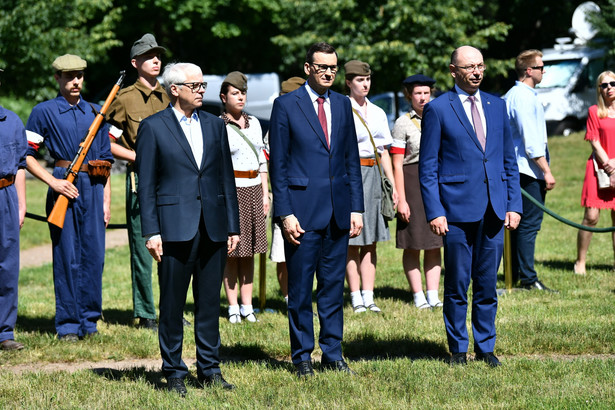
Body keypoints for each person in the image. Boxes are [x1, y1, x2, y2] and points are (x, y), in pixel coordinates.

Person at [136, 62, 239, 396]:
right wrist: (151, 232)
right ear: (174, 89)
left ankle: (209, 370)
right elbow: (146, 184)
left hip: (213, 228)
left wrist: (233, 226)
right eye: (195, 86)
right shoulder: (153, 127)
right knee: (172, 306)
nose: (201, 91)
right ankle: (175, 372)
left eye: (203, 85)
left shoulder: (214, 125)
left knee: (209, 303)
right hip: (173, 230)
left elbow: (226, 177)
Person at [419, 46, 522, 367]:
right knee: (457, 284)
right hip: (456, 211)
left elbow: (508, 160)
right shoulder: (438, 109)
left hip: (494, 209)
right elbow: (428, 167)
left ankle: (486, 346)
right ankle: (458, 349)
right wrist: (435, 211)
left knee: (487, 283)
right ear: (453, 71)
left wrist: (513, 204)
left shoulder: (497, 105)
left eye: (480, 66)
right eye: (469, 67)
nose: (476, 72)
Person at [269, 42, 364, 377]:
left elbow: (351, 159)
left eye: (333, 68)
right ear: (307, 68)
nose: (328, 72)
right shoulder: (285, 106)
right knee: (299, 291)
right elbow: (277, 166)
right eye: (322, 66)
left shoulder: (341, 104)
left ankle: (333, 354)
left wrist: (357, 208)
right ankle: (302, 358)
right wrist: (285, 213)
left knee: (333, 288)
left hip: (338, 212)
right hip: (301, 214)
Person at [26, 54, 113, 341]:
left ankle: (89, 322)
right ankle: (67, 325)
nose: (75, 81)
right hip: (64, 185)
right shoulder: (43, 112)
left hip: (94, 188)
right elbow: (26, 156)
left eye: (79, 76)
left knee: (94, 256)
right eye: (68, 76)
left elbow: (106, 160)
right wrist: (55, 182)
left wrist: (106, 200)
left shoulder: (97, 112)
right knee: (67, 256)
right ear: (57, 79)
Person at [106, 33, 170, 331]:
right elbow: (106, 143)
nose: (156, 60)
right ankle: (146, 313)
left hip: (172, 182)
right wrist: (136, 157)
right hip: (140, 181)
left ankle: (170, 308)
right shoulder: (124, 99)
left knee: (172, 247)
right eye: (149, 56)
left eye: (158, 55)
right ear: (135, 63)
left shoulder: (170, 96)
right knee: (145, 248)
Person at [344, 60, 396, 314]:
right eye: (359, 80)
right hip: (351, 174)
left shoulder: (377, 112)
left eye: (367, 79)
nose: (364, 84)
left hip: (374, 173)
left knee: (371, 239)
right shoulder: (343, 108)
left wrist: (392, 185)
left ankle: (369, 294)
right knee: (352, 240)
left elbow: (383, 151)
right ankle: (355, 296)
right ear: (348, 82)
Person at [504, 49, 557, 292]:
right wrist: (546, 171)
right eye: (540, 67)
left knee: (519, 224)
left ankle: (515, 273)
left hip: (523, 168)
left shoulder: (520, 94)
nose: (543, 71)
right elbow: (531, 141)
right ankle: (527, 279)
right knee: (528, 225)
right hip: (526, 170)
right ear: (529, 70)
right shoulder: (522, 97)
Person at [390, 74, 443, 309]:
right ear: (409, 95)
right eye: (417, 93)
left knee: (434, 242)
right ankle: (418, 295)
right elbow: (397, 164)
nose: (422, 97)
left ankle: (434, 294)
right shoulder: (402, 123)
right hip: (411, 182)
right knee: (412, 242)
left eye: (426, 93)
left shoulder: (439, 116)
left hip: (435, 181)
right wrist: (401, 198)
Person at [219, 71, 269, 323]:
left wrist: (265, 192)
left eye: (243, 93)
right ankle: (232, 306)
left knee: (250, 250)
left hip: (254, 188)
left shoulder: (256, 123)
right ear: (223, 96)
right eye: (235, 93)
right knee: (232, 252)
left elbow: (261, 160)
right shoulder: (218, 126)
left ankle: (247, 306)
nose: (240, 97)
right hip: (232, 191)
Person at [267, 76, 306, 306]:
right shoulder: (278, 124)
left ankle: (302, 297)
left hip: (309, 197)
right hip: (286, 197)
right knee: (283, 254)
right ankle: (289, 299)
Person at [574, 70, 615, 275]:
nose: (609, 88)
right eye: (604, 85)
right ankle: (580, 261)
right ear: (599, 89)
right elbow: (594, 141)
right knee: (591, 216)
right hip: (599, 167)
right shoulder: (594, 111)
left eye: (612, 84)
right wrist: (610, 166)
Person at [0, 67, 27, 351]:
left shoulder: (11, 120)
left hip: (5, 194)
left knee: (7, 265)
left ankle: (4, 332)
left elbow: (21, 165)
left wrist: (21, 204)